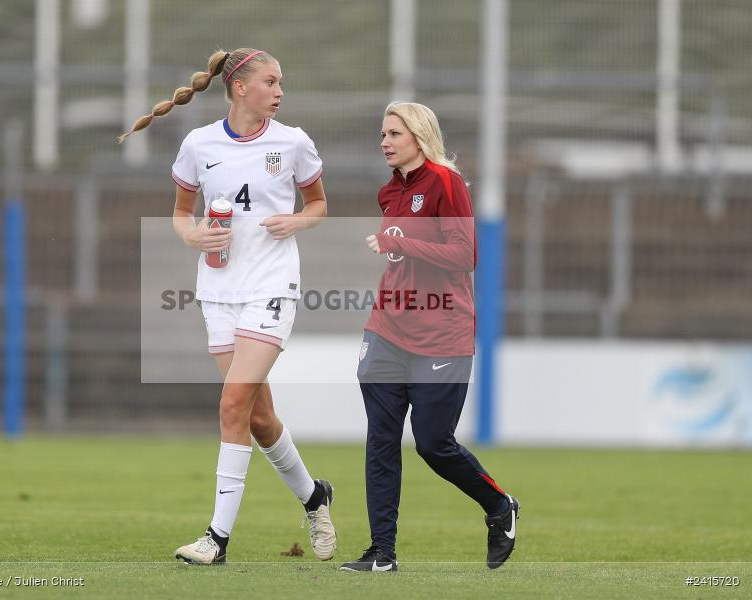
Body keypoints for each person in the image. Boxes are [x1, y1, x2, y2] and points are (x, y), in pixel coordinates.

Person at [119, 48, 336, 565]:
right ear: (240, 88)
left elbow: (319, 204)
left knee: (231, 405)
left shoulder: (293, 143)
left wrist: (297, 222)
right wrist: (192, 237)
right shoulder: (199, 144)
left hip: (272, 287)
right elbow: (180, 214)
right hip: (218, 293)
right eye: (270, 81)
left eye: (281, 82)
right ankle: (314, 496)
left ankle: (215, 540)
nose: (280, 91)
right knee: (259, 418)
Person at [339, 102, 519, 573]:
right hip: (387, 329)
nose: (385, 141)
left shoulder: (446, 182)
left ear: (419, 136)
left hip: (442, 332)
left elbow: (464, 255)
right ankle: (382, 553)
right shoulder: (388, 193)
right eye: (382, 133)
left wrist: (398, 241)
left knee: (433, 444)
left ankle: (500, 508)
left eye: (394, 133)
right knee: (380, 440)